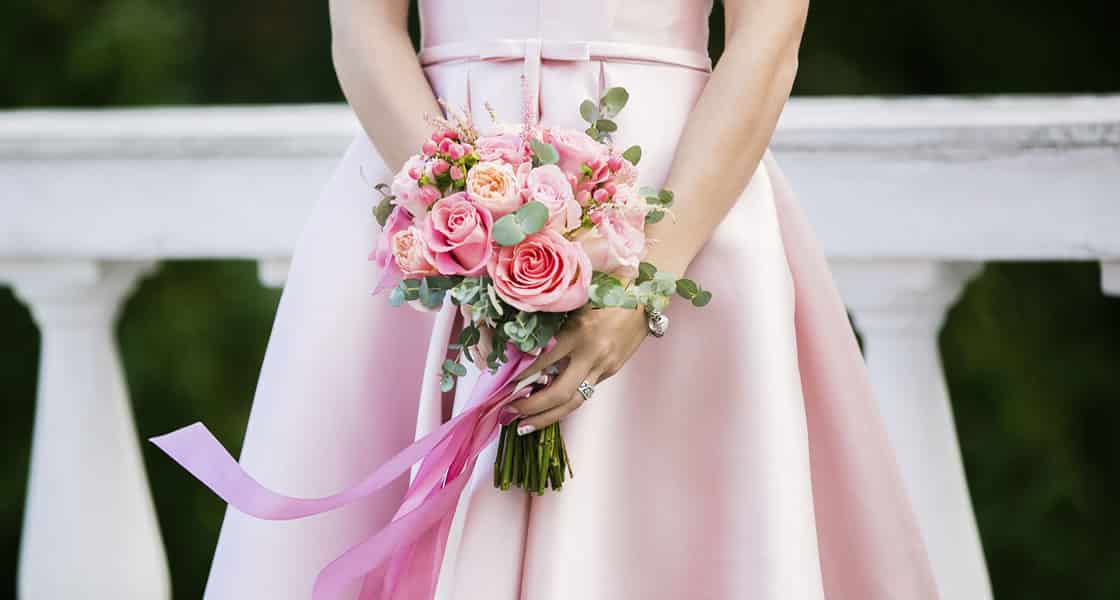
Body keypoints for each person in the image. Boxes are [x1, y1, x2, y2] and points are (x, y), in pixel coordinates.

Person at [200, 0, 940, 598]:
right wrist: (470, 223)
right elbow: (362, 30)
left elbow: (768, 40)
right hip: (425, 170)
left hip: (670, 183)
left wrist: (648, 273)